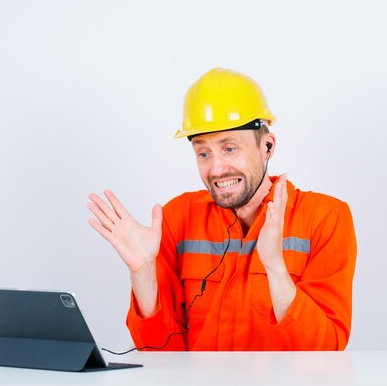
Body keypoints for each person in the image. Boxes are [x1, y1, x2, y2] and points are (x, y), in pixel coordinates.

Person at [87, 68, 357, 351]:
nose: (216, 169)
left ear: (267, 146)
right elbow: (159, 352)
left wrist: (275, 267)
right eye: (204, 153)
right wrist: (142, 271)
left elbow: (326, 351)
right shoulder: (178, 218)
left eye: (229, 149)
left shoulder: (325, 218)